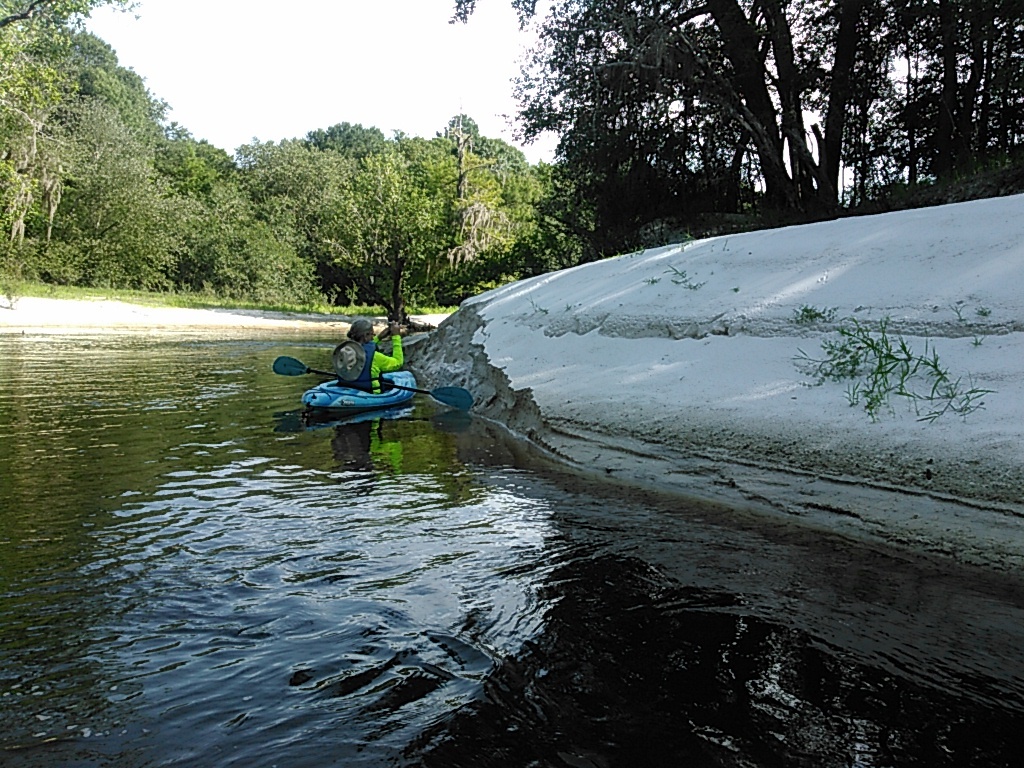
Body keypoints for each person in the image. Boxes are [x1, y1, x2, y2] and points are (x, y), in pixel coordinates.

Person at [336, 318, 403, 393]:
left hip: (346, 388)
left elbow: (363, 347)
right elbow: (398, 362)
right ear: (365, 335)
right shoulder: (376, 357)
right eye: (372, 334)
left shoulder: (343, 351)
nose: (372, 338)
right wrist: (396, 336)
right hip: (369, 394)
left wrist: (379, 337)